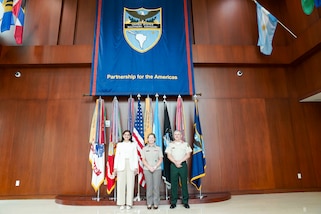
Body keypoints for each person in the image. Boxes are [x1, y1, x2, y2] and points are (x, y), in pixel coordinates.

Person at [165, 130, 192, 209]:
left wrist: (180, 161)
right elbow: (169, 156)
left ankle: (185, 202)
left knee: (184, 183)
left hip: (183, 165)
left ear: (181, 136)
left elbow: (188, 155)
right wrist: (176, 162)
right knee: (174, 184)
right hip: (173, 165)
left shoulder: (185, 144)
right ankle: (173, 202)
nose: (177, 136)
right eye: (175, 134)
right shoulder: (170, 144)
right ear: (174, 136)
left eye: (178, 134)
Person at [113, 130, 138, 210]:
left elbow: (135, 156)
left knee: (130, 184)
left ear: (130, 136)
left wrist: (136, 167)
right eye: (125, 135)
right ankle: (121, 203)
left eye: (128, 135)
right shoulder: (119, 145)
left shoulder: (133, 145)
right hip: (121, 165)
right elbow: (117, 156)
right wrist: (115, 167)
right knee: (121, 184)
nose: (127, 136)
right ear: (123, 136)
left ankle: (129, 203)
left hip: (131, 165)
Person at [141, 133, 163, 210]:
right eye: (149, 138)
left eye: (152, 138)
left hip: (157, 169)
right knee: (149, 186)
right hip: (147, 169)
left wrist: (155, 167)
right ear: (147, 139)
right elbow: (143, 160)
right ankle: (149, 203)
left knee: (156, 186)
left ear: (155, 139)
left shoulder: (158, 148)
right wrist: (149, 167)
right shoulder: (144, 149)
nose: (151, 139)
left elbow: (160, 159)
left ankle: (156, 203)